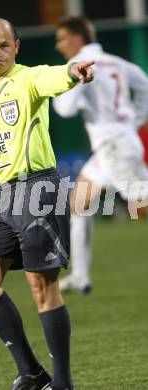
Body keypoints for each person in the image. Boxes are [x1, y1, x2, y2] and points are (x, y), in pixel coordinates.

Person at [0, 17, 94, 390]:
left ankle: (62, 383)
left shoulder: (28, 79)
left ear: (16, 46)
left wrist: (72, 71)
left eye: (4, 45)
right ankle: (31, 372)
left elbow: (53, 76)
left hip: (37, 192)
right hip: (2, 197)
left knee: (42, 288)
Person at [53, 16, 148, 294]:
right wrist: (133, 122)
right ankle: (80, 276)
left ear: (77, 39)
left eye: (62, 39)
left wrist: (71, 80)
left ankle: (80, 275)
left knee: (140, 208)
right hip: (116, 144)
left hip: (115, 148)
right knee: (77, 205)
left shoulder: (79, 67)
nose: (59, 46)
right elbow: (144, 86)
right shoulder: (116, 62)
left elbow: (65, 110)